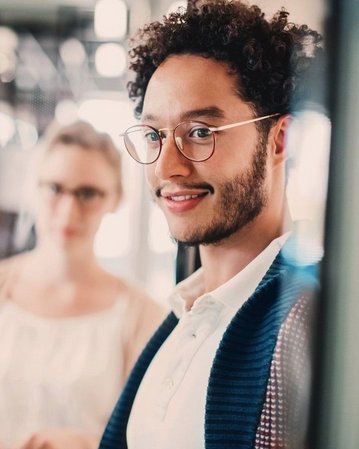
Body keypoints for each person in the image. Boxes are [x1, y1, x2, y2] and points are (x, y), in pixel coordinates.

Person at [100, 1, 323, 448]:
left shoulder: (307, 324)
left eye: (200, 132)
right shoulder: (185, 315)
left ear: (281, 140)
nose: (168, 168)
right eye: (154, 136)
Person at [0, 121, 166, 449]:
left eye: (87, 194)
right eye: (54, 188)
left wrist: (89, 445)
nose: (68, 210)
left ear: (115, 198)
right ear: (33, 187)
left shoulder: (142, 316)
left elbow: (152, 437)